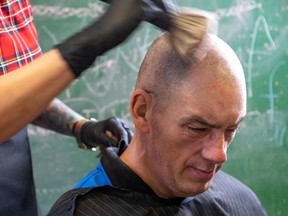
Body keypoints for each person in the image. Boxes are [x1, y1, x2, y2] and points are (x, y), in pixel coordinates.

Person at [48, 32, 267, 216]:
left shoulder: (240, 202)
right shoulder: (86, 210)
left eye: (231, 129)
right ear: (142, 111)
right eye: (197, 128)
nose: (219, 155)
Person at [0, 0, 171, 215]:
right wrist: (88, 44)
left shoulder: (13, 5)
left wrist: (79, 127)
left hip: (17, 194)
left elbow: (21, 95)